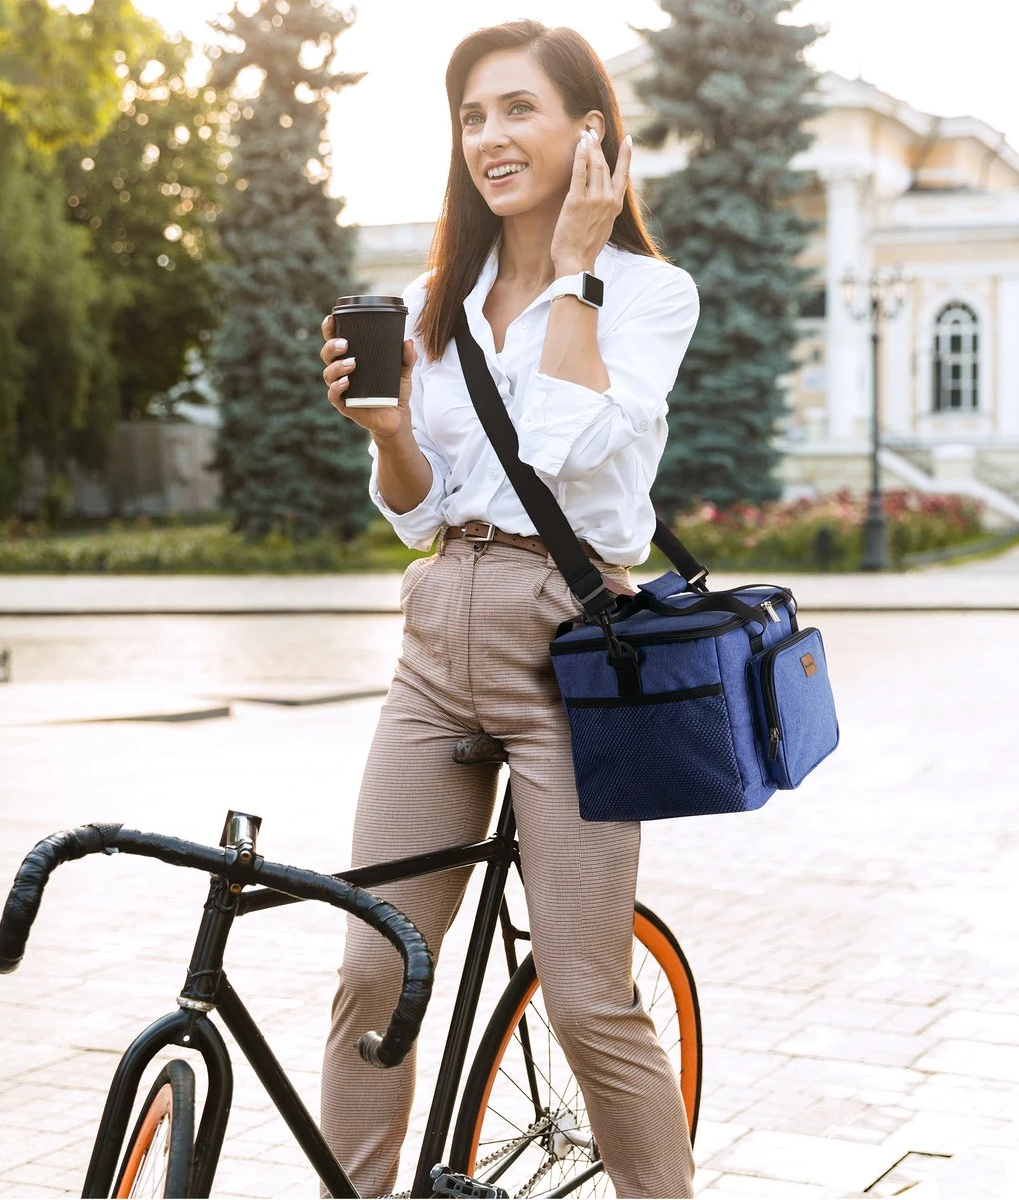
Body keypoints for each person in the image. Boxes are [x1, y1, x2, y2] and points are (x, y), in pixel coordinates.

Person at [318, 19, 699, 1199]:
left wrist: (578, 265)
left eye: (518, 109)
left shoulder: (649, 295)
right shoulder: (439, 300)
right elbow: (420, 512)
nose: (489, 136)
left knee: (586, 1001)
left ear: (591, 132)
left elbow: (560, 444)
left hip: (574, 656)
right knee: (372, 972)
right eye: (472, 115)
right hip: (437, 643)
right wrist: (388, 433)